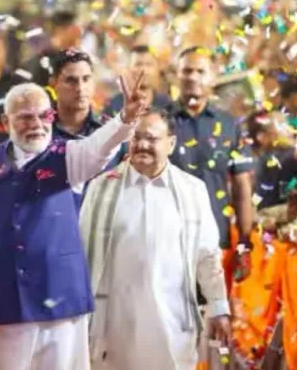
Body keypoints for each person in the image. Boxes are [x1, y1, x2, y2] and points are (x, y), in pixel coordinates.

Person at [0, 74, 147, 370]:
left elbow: (99, 147)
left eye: (44, 115)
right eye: (25, 117)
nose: (37, 124)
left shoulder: (69, 157)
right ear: (5, 123)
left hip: (59, 309)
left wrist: (125, 119)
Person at [79, 109, 230, 369]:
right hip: (115, 324)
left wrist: (219, 308)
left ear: (171, 143)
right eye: (136, 138)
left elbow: (207, 256)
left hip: (172, 321)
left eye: (151, 139)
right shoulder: (102, 188)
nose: (142, 146)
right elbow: (81, 254)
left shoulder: (192, 191)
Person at [168, 46, 255, 285]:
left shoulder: (230, 125)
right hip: (167, 240)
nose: (193, 77)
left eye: (200, 71)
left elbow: (241, 187)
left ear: (213, 77)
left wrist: (245, 243)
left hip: (215, 239)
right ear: (177, 75)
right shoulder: (159, 122)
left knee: (213, 317)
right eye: (187, 71)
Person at [24, 11, 82, 88]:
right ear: (61, 30)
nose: (79, 33)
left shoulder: (74, 58)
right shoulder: (43, 63)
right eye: (75, 30)